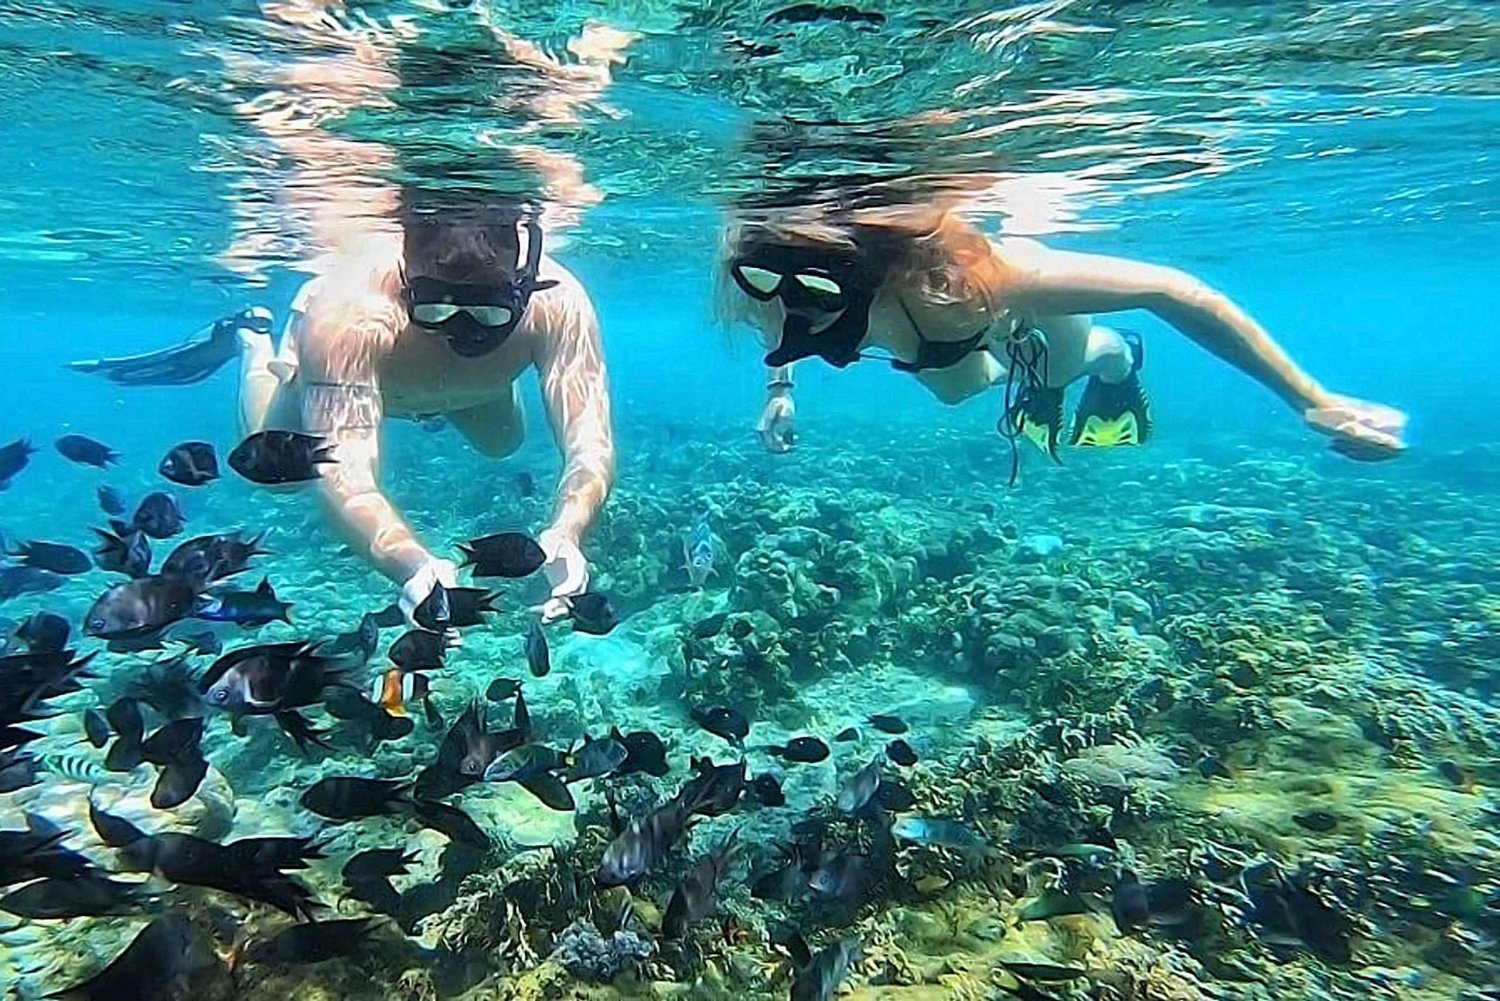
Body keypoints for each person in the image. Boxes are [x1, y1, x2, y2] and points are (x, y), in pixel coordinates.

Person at [719, 200, 1406, 466]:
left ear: (867, 275)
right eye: (768, 290)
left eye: (814, 296)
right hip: (939, 346)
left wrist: (1310, 397)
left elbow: (1172, 289)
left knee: (1057, 370)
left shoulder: (974, 277)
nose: (789, 312)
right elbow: (780, 318)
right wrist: (780, 391)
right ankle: (1017, 371)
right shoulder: (787, 280)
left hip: (988, 311)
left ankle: (1117, 359)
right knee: (959, 395)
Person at [237, 190, 614, 629]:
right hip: (343, 373)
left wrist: (568, 533)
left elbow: (590, 444)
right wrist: (412, 566)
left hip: (472, 390)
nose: (460, 333)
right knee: (278, 477)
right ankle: (252, 342)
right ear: (406, 276)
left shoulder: (559, 303)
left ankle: (451, 388)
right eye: (435, 311)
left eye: (489, 314)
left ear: (524, 280)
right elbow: (344, 473)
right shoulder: (349, 317)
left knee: (503, 442)